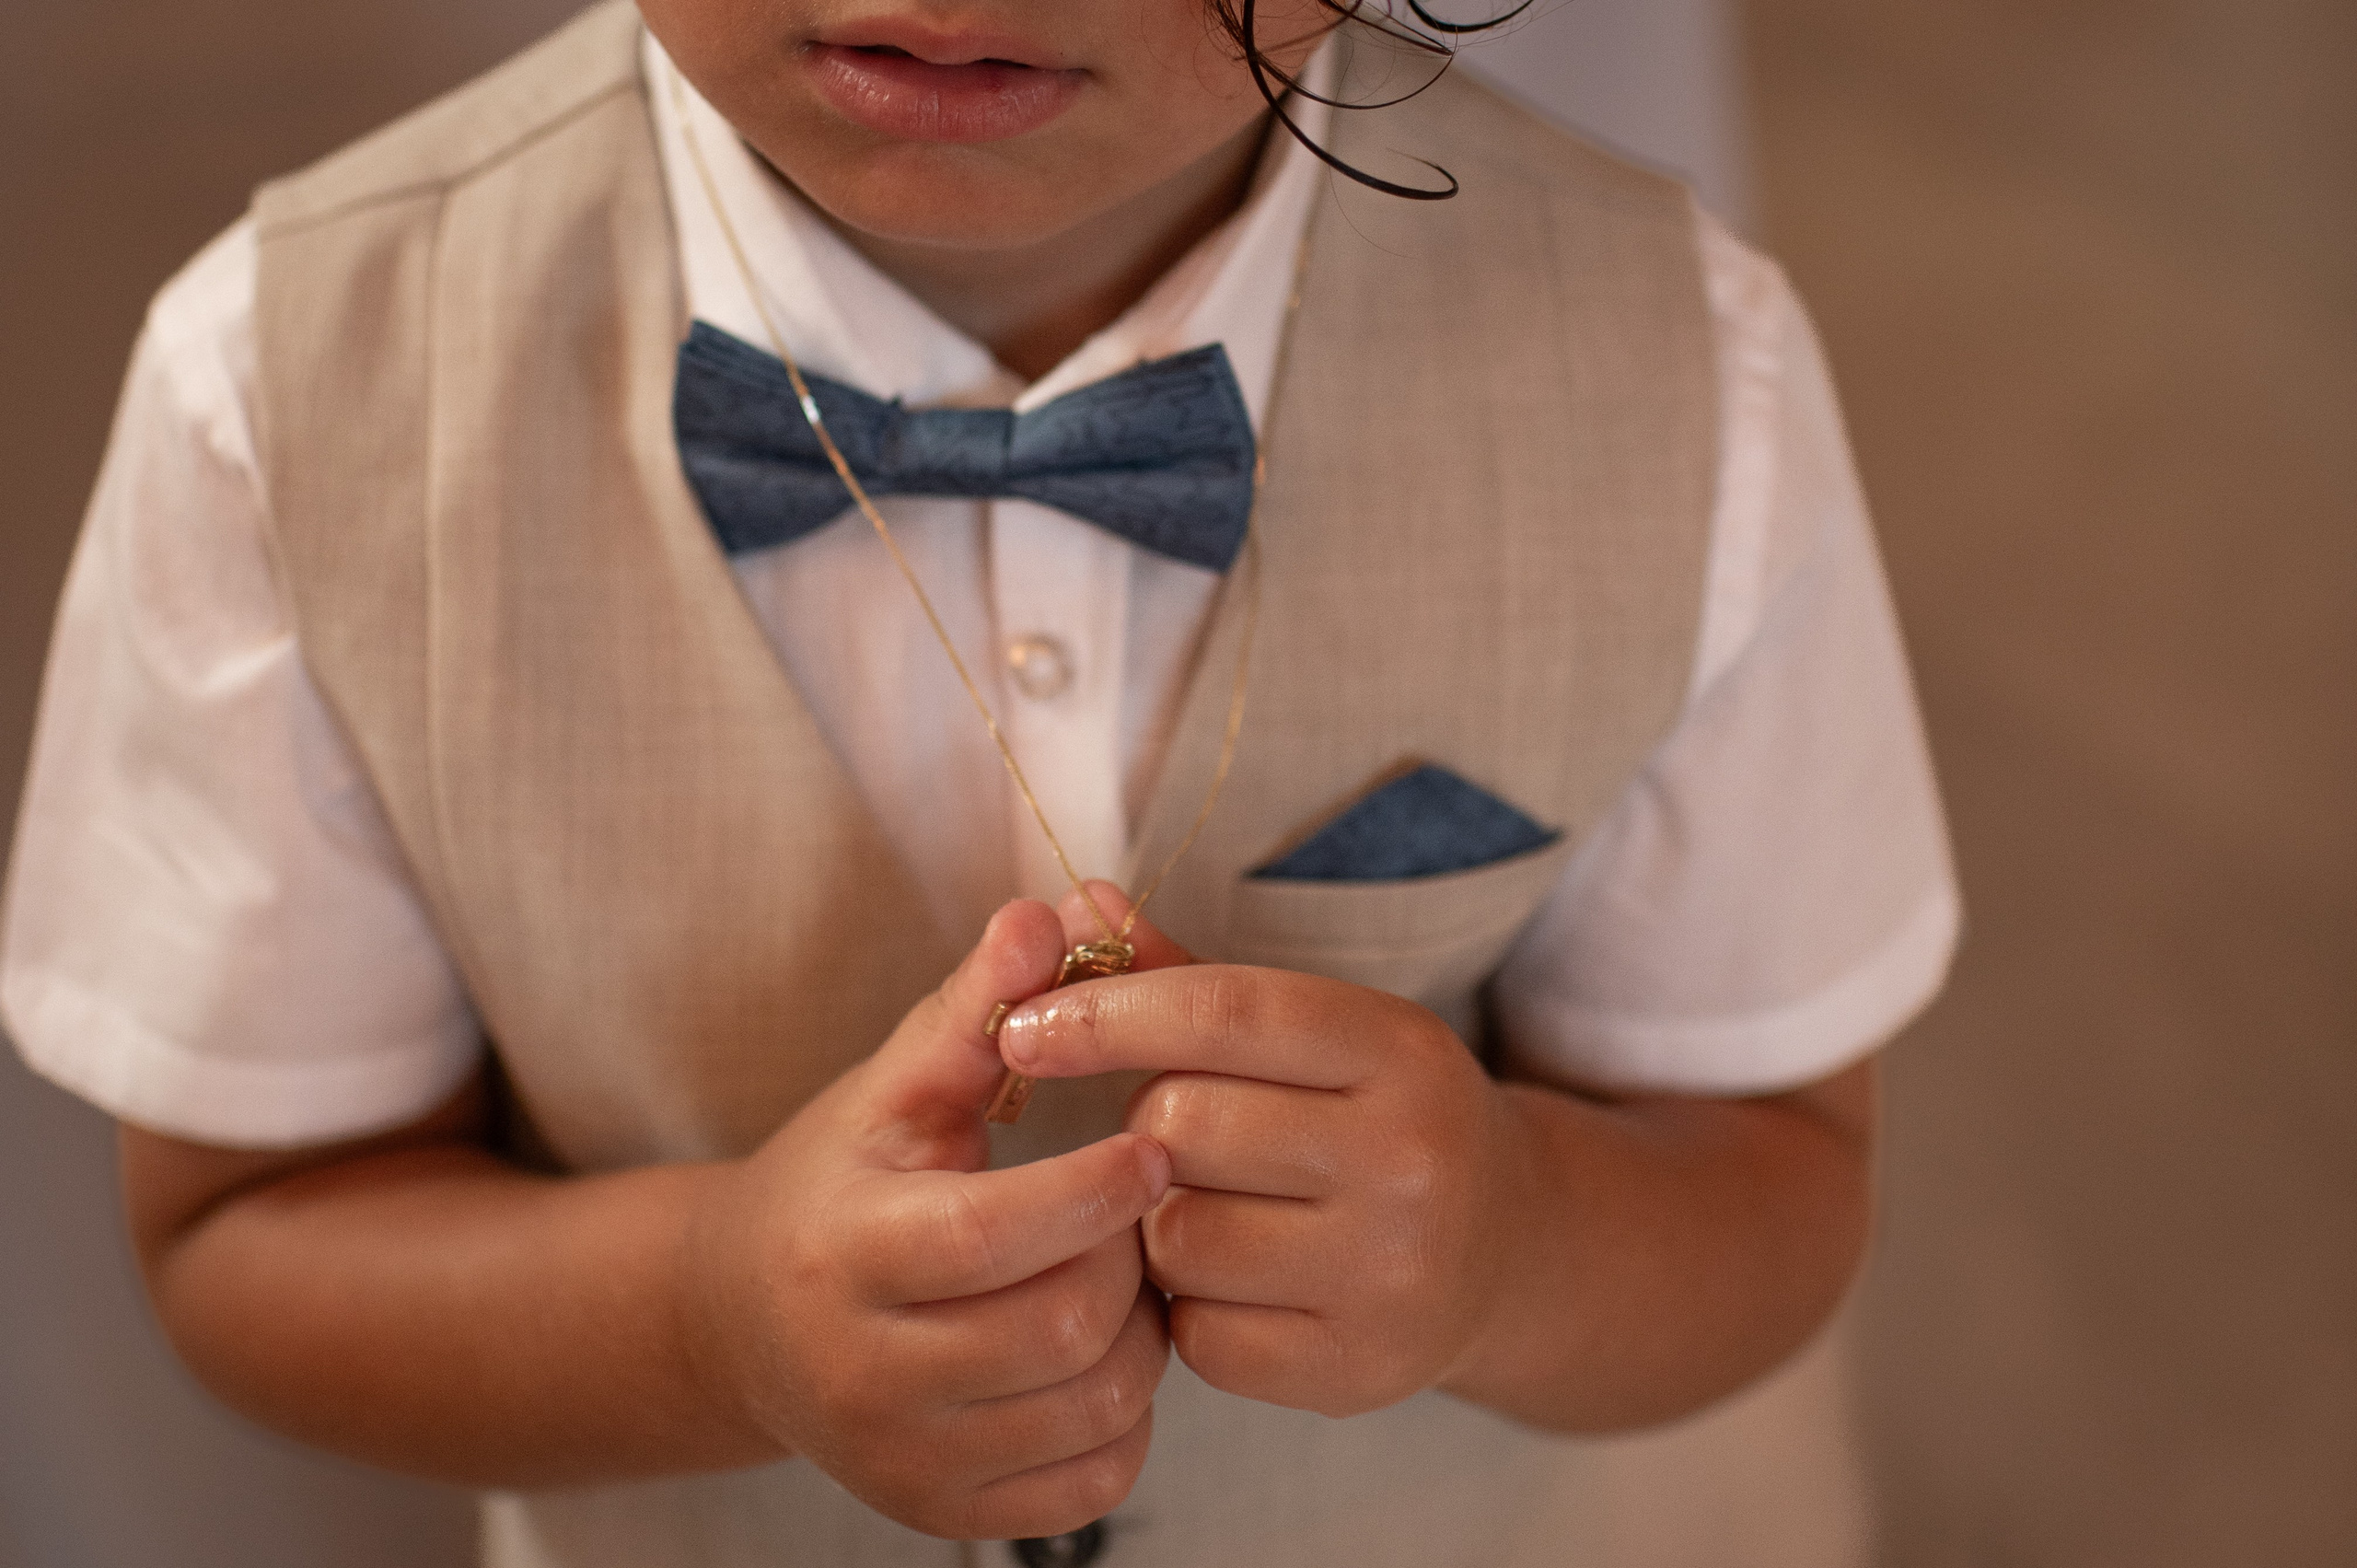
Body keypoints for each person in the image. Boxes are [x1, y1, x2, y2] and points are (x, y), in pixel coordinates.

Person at [0, 0, 1957, 1563]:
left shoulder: (1689, 375)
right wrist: (707, 1316)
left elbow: (1775, 1171)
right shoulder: (283, 394)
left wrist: (1517, 1239)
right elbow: (246, 1236)